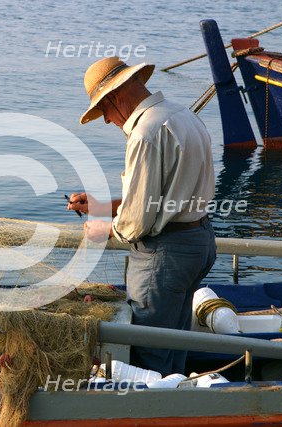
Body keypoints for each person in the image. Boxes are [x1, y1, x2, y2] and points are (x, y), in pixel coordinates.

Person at [67, 56, 217, 376]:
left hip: (164, 256)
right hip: (199, 242)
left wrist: (105, 229)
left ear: (115, 96)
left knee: (148, 355)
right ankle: (179, 397)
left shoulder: (144, 133)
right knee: (175, 342)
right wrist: (99, 204)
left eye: (103, 111)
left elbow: (136, 222)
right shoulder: (182, 115)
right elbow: (165, 197)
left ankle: (156, 410)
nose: (107, 120)